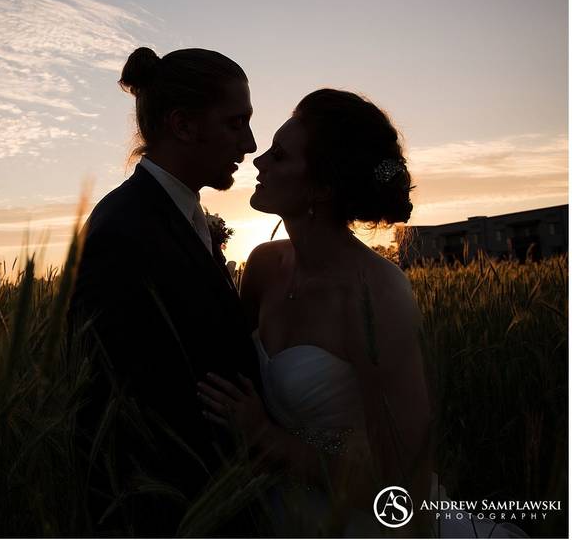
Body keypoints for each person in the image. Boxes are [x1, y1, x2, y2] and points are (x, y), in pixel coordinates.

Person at [197, 89, 526, 538]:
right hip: (272, 512)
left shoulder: (377, 294)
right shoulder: (263, 266)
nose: (259, 161)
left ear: (323, 187)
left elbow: (403, 484)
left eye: (280, 155)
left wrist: (267, 438)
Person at [68, 47, 263, 536]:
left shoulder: (180, 215)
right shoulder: (122, 229)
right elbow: (110, 403)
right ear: (182, 124)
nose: (251, 143)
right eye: (236, 123)